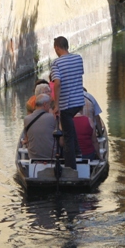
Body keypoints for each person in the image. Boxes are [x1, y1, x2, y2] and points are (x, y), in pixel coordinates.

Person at [50, 36, 85, 169]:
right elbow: (78, 77)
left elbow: (57, 83)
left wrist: (56, 105)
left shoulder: (56, 63)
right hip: (79, 102)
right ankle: (78, 151)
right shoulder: (78, 58)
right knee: (70, 127)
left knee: (67, 137)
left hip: (67, 104)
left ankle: (71, 168)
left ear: (57, 48)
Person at [23, 94, 57, 159]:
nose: (50, 107)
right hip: (51, 156)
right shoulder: (52, 117)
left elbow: (26, 140)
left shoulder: (26, 119)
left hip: (33, 156)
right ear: (45, 104)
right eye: (49, 105)